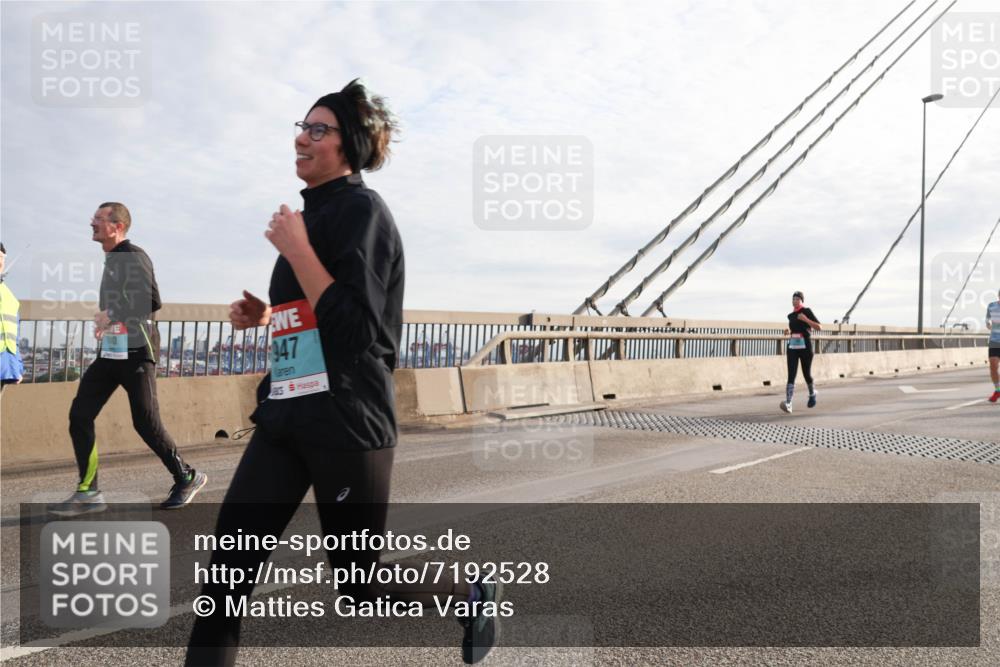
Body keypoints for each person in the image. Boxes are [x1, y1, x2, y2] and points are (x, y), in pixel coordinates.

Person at [186, 79, 500, 667]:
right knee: (225, 583)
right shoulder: (311, 215)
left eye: (317, 129)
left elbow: (361, 332)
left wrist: (298, 250)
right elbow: (318, 314)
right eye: (301, 127)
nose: (302, 138)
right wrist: (267, 315)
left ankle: (469, 592)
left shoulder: (363, 212)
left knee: (359, 588)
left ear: (348, 147)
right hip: (286, 415)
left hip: (347, 423)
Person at [47, 204, 206, 516]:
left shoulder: (132, 255)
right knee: (80, 415)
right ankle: (89, 491)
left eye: (98, 218)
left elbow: (150, 300)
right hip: (111, 353)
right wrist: (106, 324)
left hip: (136, 353)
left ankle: (186, 476)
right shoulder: (111, 260)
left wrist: (111, 314)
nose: (91, 222)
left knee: (145, 422)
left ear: (116, 225)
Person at [780, 290, 821, 413]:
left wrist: (806, 320)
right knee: (791, 374)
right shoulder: (790, 316)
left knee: (806, 373)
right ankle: (788, 403)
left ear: (802, 301)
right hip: (793, 347)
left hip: (805, 347)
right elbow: (796, 328)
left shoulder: (807, 311)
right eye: (793, 299)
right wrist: (789, 332)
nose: (795, 301)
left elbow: (819, 327)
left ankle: (812, 393)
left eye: (797, 299)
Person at [0, 242, 25, 388]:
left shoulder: (10, 297)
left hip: (4, 368)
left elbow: (13, 338)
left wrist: (17, 367)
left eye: (1, 256)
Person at [987, 288, 1000, 403]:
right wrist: (989, 325)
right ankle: (998, 390)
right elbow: (988, 321)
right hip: (995, 341)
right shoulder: (991, 306)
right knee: (993, 365)